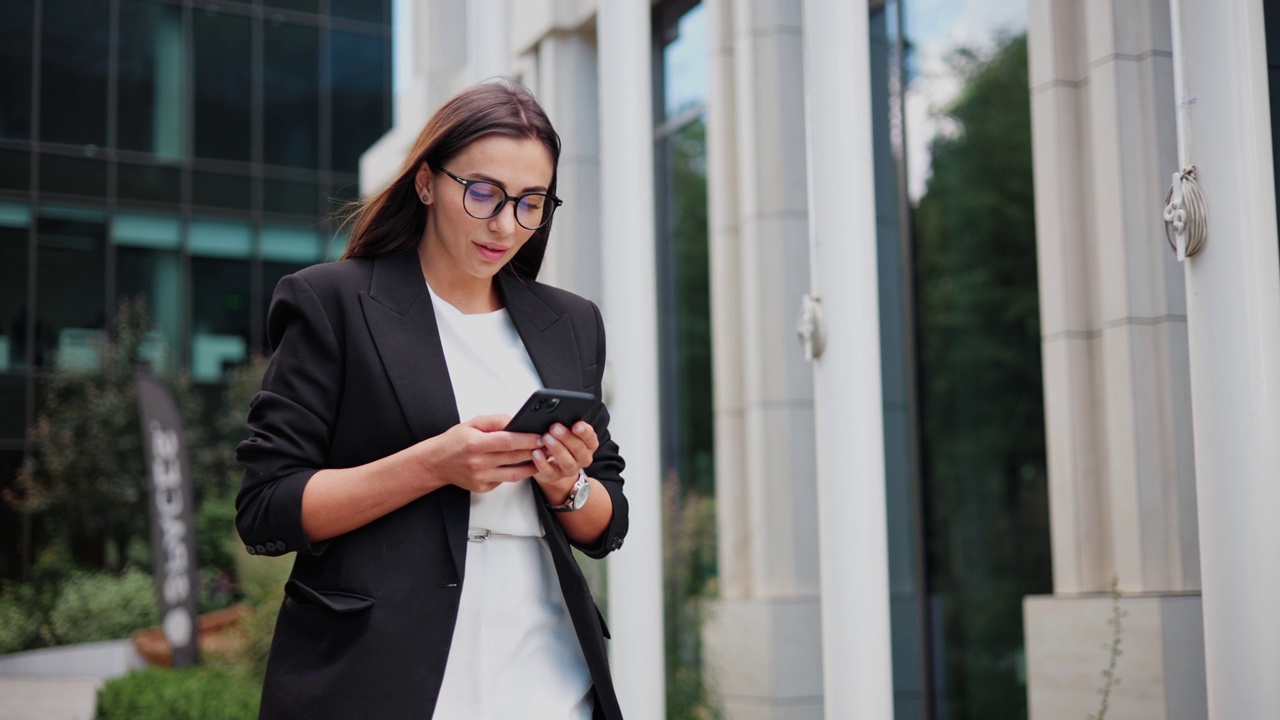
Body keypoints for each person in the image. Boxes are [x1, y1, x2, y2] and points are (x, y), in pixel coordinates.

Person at [235, 79, 628, 720]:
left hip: (548, 680)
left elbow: (607, 524)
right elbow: (266, 508)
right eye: (483, 194)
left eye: (532, 203)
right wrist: (434, 465)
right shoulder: (333, 303)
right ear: (426, 183)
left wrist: (568, 485)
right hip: (381, 679)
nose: (507, 225)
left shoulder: (571, 322)